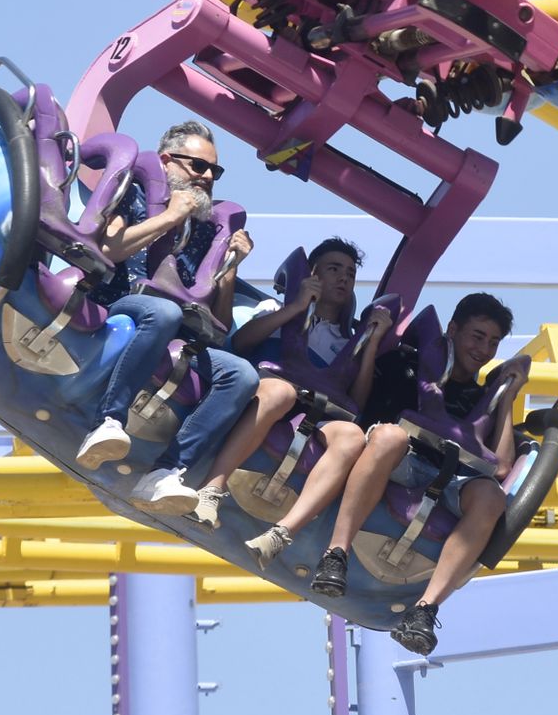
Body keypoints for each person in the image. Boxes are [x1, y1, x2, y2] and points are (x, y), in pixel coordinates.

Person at [309, 293, 521, 656]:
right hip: (397, 458)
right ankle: (336, 553)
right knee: (390, 437)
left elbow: (501, 466)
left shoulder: (480, 395)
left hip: (448, 476)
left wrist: (507, 399)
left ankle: (425, 610)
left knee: (490, 496)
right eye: (477, 335)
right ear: (453, 330)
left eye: (493, 342)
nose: (483, 349)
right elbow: (364, 411)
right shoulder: (407, 364)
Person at [74, 120, 256, 516]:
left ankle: (169, 470)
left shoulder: (206, 230)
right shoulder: (134, 194)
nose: (207, 177)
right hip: (119, 303)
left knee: (241, 375)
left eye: (214, 171)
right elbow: (110, 247)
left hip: (175, 331)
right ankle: (108, 420)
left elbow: (218, 326)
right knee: (163, 311)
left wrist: (230, 269)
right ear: (166, 161)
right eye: (198, 166)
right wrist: (171, 218)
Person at [190, 240, 391, 564]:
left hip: (317, 414)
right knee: (280, 393)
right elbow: (240, 342)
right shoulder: (276, 310)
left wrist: (371, 345)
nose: (343, 278)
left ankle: (282, 533)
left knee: (352, 436)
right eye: (334, 269)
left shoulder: (348, 340)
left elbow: (356, 403)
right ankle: (211, 489)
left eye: (350, 274)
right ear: (313, 274)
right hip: (273, 397)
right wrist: (296, 308)